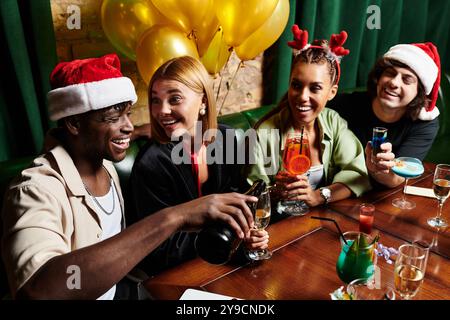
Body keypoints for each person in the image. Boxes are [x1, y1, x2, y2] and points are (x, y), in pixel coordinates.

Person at [1, 54, 257, 300]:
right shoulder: (35, 189)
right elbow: (37, 291)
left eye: (128, 114)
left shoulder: (105, 166)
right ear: (74, 124)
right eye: (114, 117)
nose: (128, 126)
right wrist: (175, 217)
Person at [129, 56, 268, 275]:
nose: (161, 110)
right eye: (155, 100)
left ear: (203, 101)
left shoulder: (226, 138)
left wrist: (247, 233)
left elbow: (238, 197)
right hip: (175, 273)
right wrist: (231, 240)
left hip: (225, 261)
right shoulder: (152, 163)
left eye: (174, 99)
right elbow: (159, 247)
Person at [246, 25, 371, 210]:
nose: (303, 96)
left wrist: (319, 197)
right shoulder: (263, 133)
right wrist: (275, 192)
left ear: (332, 92)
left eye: (315, 88)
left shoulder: (333, 121)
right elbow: (251, 198)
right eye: (296, 85)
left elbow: (357, 175)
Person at [327, 43, 441, 188]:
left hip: (379, 198)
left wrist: (377, 169)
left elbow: (396, 179)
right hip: (335, 188)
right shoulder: (343, 105)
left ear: (419, 92)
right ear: (379, 77)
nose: (394, 82)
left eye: (406, 79)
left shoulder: (424, 124)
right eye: (390, 73)